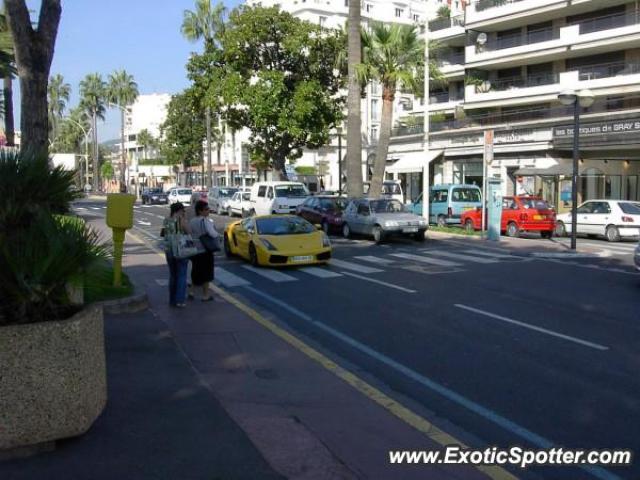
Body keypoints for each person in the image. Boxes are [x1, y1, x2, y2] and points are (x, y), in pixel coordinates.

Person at [189, 200, 219, 301]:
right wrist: (217, 234)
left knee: (195, 272)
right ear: (200, 211)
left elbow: (190, 233)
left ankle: (191, 292)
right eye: (206, 209)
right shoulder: (206, 221)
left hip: (195, 250)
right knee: (206, 274)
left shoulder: (192, 221)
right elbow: (213, 234)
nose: (208, 211)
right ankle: (205, 295)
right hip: (205, 250)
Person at [163, 202, 191, 308]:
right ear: (179, 211)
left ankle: (172, 300)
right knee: (182, 275)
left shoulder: (166, 220)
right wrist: (184, 220)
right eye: (183, 211)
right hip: (180, 250)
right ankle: (180, 300)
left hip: (169, 250)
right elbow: (189, 231)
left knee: (173, 275)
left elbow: (164, 233)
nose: (184, 212)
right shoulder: (181, 220)